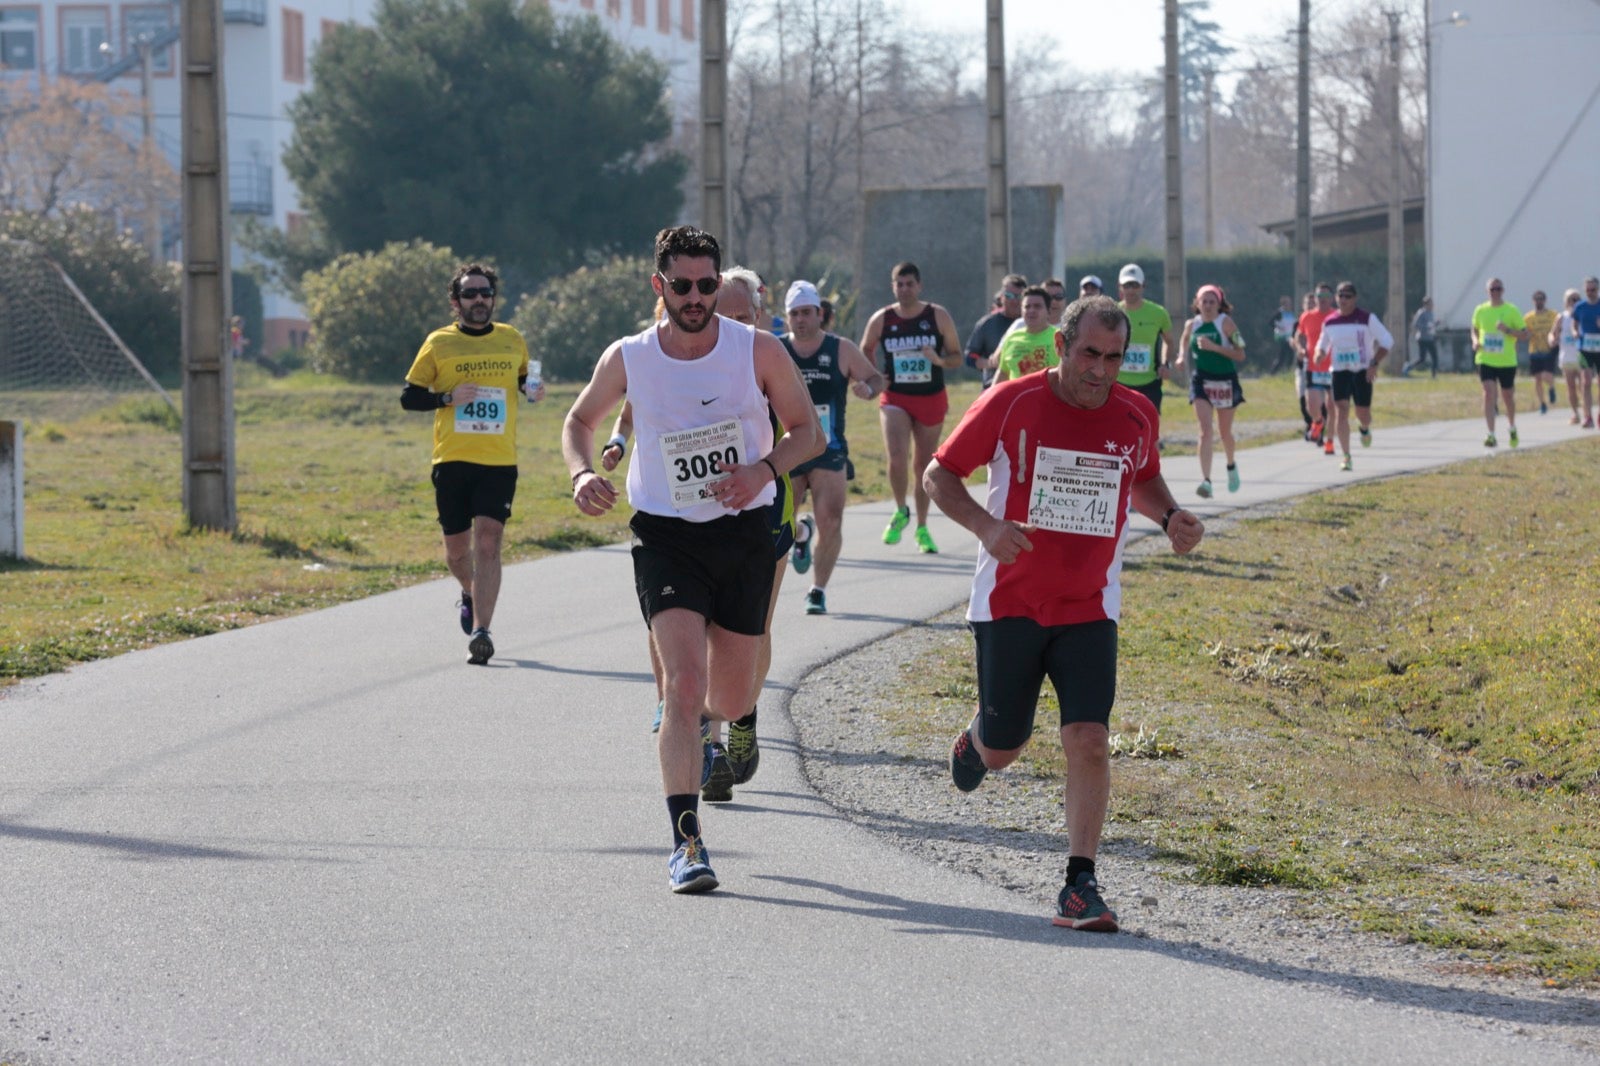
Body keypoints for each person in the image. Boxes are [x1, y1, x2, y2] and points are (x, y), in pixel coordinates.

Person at [924, 294, 1205, 933]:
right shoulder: (1011, 402)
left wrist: (1169, 517)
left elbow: (1142, 478)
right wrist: (987, 526)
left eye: (1114, 358)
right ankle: (978, 740)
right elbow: (939, 478)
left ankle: (1080, 884)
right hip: (1009, 603)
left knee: (1090, 739)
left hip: (1089, 606)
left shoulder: (1136, 414)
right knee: (1004, 749)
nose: (1102, 371)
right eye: (1089, 355)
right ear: (1060, 347)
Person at [563, 227, 822, 893]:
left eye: (708, 285)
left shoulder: (756, 349)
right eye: (683, 286)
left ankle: (731, 726)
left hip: (741, 531)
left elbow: (807, 432)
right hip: (666, 534)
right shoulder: (630, 357)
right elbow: (579, 421)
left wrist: (763, 470)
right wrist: (580, 474)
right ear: (660, 287)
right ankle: (686, 843)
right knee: (681, 687)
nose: (697, 297)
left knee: (730, 698)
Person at [401, 263, 544, 666]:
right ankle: (468, 591)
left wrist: (532, 389)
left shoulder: (511, 339)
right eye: (470, 294)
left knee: (489, 542)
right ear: (455, 302)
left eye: (485, 293)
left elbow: (522, 380)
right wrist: (446, 399)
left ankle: (482, 631)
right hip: (452, 459)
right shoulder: (439, 343)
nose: (479, 300)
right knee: (457, 553)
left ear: (493, 299)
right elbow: (408, 396)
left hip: (499, 461)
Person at [783, 280, 885, 616]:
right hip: (787, 447)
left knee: (832, 520)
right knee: (783, 521)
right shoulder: (776, 349)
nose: (801, 319)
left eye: (807, 312)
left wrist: (868, 390)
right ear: (787, 317)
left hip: (829, 448)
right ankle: (801, 533)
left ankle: (817, 590)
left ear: (820, 313)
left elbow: (876, 378)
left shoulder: (840, 348)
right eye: (794, 313)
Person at [861, 261, 964, 554]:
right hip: (896, 397)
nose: (904, 289)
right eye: (899, 284)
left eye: (909, 284)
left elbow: (957, 356)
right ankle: (900, 510)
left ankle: (921, 526)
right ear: (893, 287)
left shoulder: (937, 315)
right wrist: (875, 375)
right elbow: (865, 346)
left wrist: (939, 361)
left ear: (919, 286)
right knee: (897, 456)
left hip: (931, 397)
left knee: (922, 465)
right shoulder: (883, 318)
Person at [1176, 284, 1247, 498]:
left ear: (1219, 304)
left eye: (1211, 302)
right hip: (1202, 380)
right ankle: (1206, 481)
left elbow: (1241, 354)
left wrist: (1214, 347)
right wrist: (1181, 356)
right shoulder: (1192, 324)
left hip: (1225, 380)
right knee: (1205, 430)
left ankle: (1231, 465)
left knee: (1224, 433)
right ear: (1197, 303)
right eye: (1203, 301)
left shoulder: (1225, 323)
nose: (1207, 306)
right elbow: (1184, 340)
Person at [1314, 282, 1392, 472]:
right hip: (1340, 371)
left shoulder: (1366, 318)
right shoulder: (1330, 321)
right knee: (1341, 410)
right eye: (1340, 295)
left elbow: (1387, 341)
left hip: (1362, 371)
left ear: (1355, 299)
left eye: (1348, 296)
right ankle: (1346, 456)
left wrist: (1374, 363)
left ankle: (1364, 428)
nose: (1343, 299)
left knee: (1362, 413)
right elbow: (1322, 344)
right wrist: (1319, 353)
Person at [1471, 277, 1528, 448]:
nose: (1495, 292)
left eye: (1498, 289)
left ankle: (1511, 427)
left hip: (1506, 361)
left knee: (1507, 396)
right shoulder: (1480, 310)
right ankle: (1491, 434)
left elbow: (1525, 335)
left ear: (1503, 290)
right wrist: (1474, 340)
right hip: (1485, 358)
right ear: (1487, 291)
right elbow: (1474, 328)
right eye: (1492, 289)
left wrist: (1508, 330)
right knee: (1489, 394)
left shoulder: (1511, 310)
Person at [1114, 263, 1174, 414]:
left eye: (1135, 285)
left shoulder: (1159, 313)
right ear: (1120, 287)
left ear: (1143, 286)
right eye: (1127, 285)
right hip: (1118, 382)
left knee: (1148, 431)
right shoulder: (1112, 313)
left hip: (1150, 383)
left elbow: (1169, 341)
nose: (1131, 290)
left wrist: (1165, 364)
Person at [965, 273, 1026, 390]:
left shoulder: (1035, 324)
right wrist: (991, 363)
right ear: (1001, 297)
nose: (1014, 301)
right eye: (1009, 295)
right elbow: (970, 357)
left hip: (1025, 387)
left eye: (1019, 297)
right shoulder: (987, 324)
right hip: (994, 387)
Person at [1297, 284, 1336, 452]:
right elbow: (1299, 335)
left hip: (1335, 367)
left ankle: (1329, 442)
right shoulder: (1307, 317)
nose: (1323, 300)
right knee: (1311, 405)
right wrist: (1300, 349)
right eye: (1320, 296)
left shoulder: (1336, 316)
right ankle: (1318, 423)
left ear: (1332, 298)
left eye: (1326, 296)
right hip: (1314, 366)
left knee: (1332, 407)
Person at [992, 286, 1059, 383]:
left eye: (1037, 306)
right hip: (1018, 397)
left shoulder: (1060, 337)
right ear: (1021, 311)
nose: (1031, 310)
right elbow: (1003, 373)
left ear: (1048, 311)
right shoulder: (1012, 338)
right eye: (1027, 307)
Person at [1554, 288, 1592, 427]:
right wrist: (1552, 339)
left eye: (1576, 299)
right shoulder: (1561, 317)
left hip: (1581, 355)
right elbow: (1554, 333)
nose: (1573, 302)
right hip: (1566, 356)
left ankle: (1586, 414)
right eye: (1571, 299)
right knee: (1571, 387)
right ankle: (1575, 413)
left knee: (1584, 385)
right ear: (1565, 302)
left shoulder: (1583, 314)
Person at [1569, 276, 1600, 428]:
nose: (1590, 293)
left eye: (1593, 290)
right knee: (1586, 381)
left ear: (1598, 289)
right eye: (1587, 290)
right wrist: (1575, 332)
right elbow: (1574, 324)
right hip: (1584, 348)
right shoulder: (1579, 306)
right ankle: (1588, 416)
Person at [1524, 290, 1558, 414]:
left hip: (1549, 349)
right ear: (1533, 301)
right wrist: (1527, 335)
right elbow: (1524, 333)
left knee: (1546, 375)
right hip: (1535, 350)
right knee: (1537, 378)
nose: (1539, 301)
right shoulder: (1529, 317)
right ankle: (1542, 403)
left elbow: (1558, 328)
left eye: (1541, 298)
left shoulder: (1552, 315)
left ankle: (1552, 387)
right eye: (1537, 299)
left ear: (1545, 300)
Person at [1405, 296, 1438, 377]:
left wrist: (1435, 324)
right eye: (1430, 304)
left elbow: (1431, 325)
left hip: (1430, 338)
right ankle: (1408, 367)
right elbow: (1416, 324)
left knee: (1435, 357)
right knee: (1422, 359)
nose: (1432, 305)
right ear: (1426, 304)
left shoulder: (1431, 313)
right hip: (1422, 339)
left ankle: (1433, 375)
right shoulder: (1421, 313)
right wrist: (1426, 328)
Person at [1268, 296, 1297, 374]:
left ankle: (1287, 373)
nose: (1289, 305)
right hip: (1281, 338)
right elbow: (1271, 322)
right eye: (1287, 303)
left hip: (1290, 338)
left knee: (1290, 356)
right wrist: (1279, 327)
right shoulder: (1279, 313)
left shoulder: (1291, 313)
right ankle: (1273, 373)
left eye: (1290, 303)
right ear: (1283, 304)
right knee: (1281, 357)